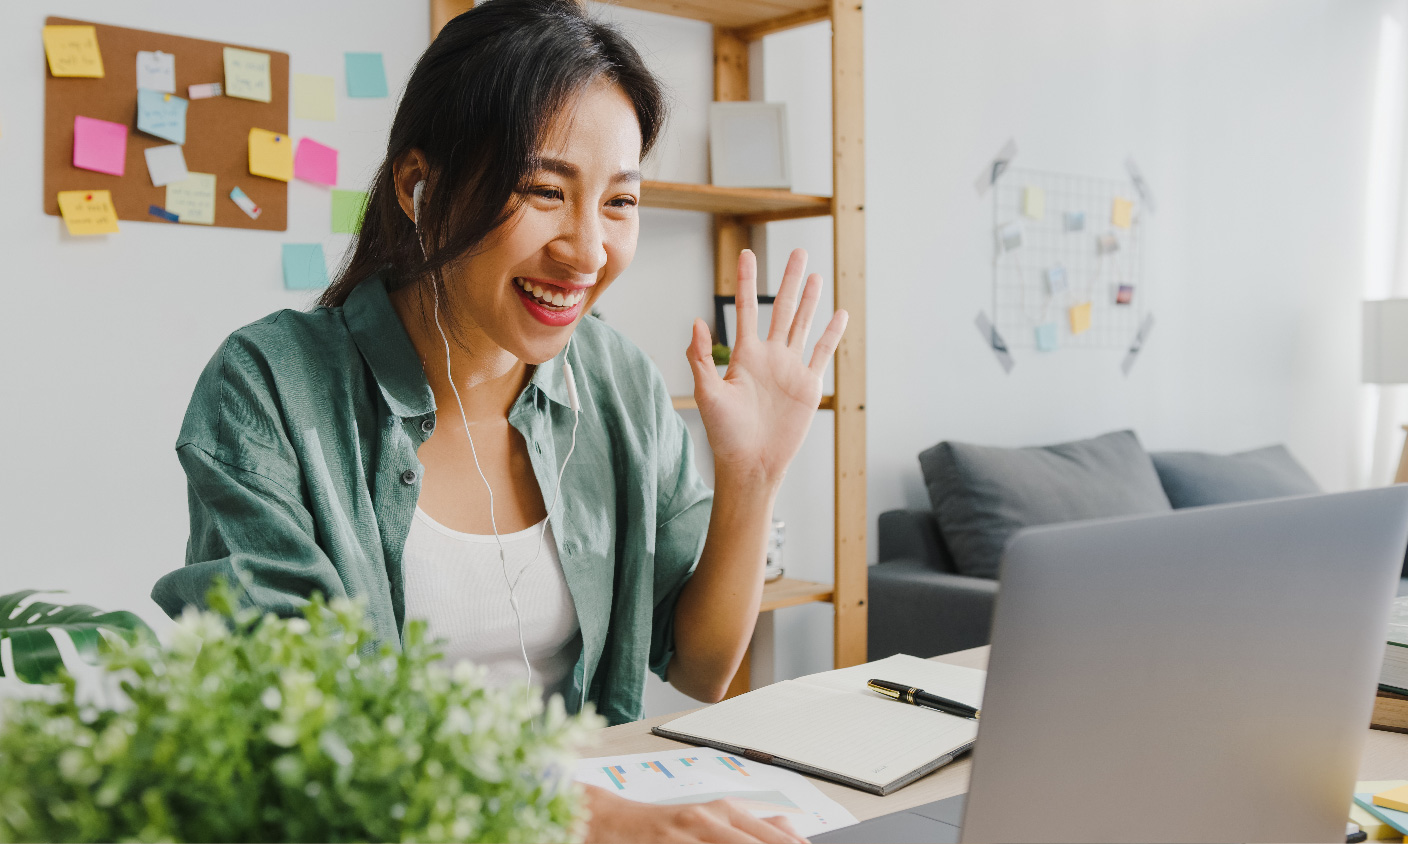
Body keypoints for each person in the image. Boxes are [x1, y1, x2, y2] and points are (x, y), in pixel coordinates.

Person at [152, 0, 845, 840]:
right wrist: (587, 817)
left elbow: (702, 667)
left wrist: (753, 476)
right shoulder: (268, 388)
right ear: (419, 186)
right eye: (544, 191)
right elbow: (297, 721)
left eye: (619, 202)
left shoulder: (615, 377)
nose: (587, 250)